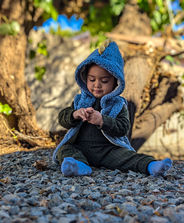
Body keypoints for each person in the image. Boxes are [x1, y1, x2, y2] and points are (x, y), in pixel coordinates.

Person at [53, 40, 172, 177]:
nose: (97, 85)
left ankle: (151, 166)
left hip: (108, 151)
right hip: (80, 148)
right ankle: (78, 165)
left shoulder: (118, 104)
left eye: (104, 81)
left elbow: (123, 128)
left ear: (116, 82)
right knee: (65, 149)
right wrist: (74, 114)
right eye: (92, 80)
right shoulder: (80, 101)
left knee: (128, 157)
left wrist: (102, 120)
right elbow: (62, 118)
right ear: (85, 79)